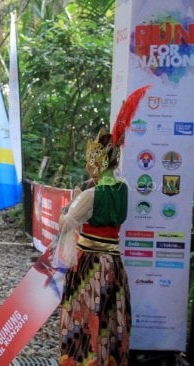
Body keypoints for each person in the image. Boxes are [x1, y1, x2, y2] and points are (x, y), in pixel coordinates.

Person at [52, 129, 131, 365]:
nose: (88, 166)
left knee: (85, 315)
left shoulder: (91, 195)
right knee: (109, 316)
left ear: (98, 161)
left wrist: (69, 205)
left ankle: (83, 360)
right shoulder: (124, 189)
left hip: (91, 265)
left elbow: (65, 225)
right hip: (114, 264)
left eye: (90, 161)